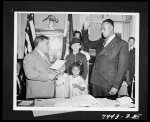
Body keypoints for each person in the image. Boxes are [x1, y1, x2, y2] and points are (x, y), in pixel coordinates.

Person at [82, 19, 129, 99]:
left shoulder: (122, 44)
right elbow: (87, 44)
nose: (102, 31)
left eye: (104, 29)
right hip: (96, 81)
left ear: (111, 28)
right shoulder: (101, 41)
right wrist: (85, 29)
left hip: (109, 84)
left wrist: (116, 86)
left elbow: (122, 68)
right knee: (97, 106)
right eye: (101, 29)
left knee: (108, 106)